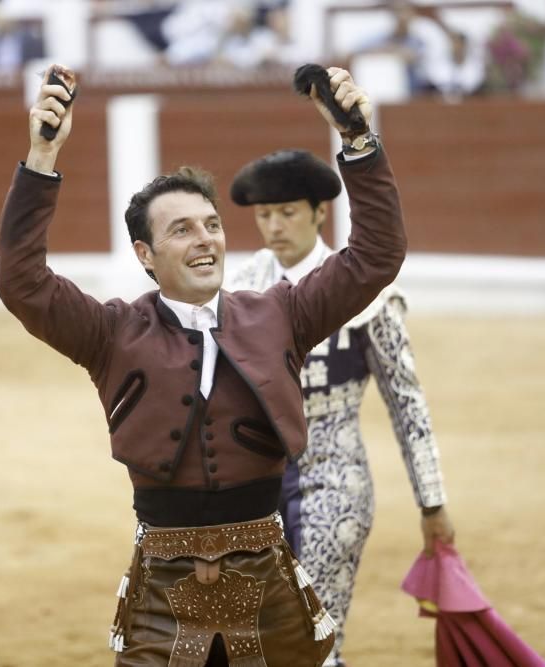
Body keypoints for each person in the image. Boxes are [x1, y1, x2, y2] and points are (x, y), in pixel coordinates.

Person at [0, 63, 407, 665]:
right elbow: (21, 282)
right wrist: (41, 158)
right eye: (182, 230)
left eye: (212, 225)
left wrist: (360, 145)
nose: (206, 239)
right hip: (162, 585)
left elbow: (376, 254)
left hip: (267, 575)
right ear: (145, 253)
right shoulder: (111, 332)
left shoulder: (283, 312)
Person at [227, 148, 455, 667]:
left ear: (318, 212)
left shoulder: (363, 289)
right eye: (264, 214)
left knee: (312, 636)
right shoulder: (237, 288)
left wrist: (433, 502)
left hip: (335, 475)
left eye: (287, 212)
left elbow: (407, 402)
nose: (274, 225)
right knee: (253, 641)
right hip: (252, 484)